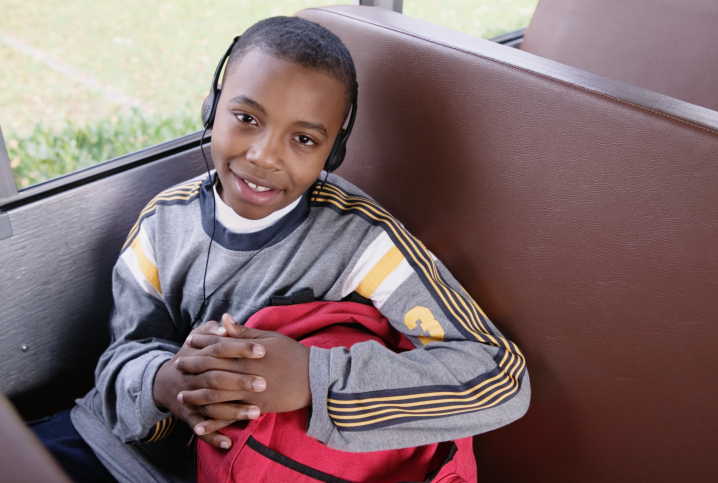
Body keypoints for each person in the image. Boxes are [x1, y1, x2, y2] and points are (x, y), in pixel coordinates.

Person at [33, 16, 530, 482]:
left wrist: (313, 379)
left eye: (304, 140)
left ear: (334, 151)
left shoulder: (364, 244)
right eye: (246, 117)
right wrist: (166, 383)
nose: (264, 156)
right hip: (119, 453)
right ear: (211, 107)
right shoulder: (162, 225)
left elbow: (499, 374)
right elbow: (123, 353)